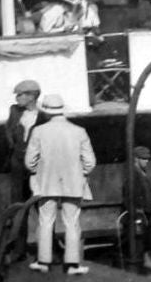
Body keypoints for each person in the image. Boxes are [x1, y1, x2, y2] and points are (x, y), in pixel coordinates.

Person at [25, 93, 96, 275]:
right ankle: (73, 265)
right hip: (73, 182)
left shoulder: (38, 131)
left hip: (46, 182)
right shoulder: (79, 131)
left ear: (46, 112)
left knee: (46, 221)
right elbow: (90, 161)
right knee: (72, 222)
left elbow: (29, 162)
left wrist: (37, 171)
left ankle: (43, 262)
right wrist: (81, 173)